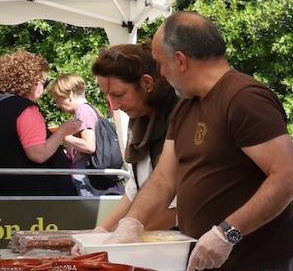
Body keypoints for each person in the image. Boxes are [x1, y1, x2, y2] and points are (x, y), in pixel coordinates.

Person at [109, 11, 293, 271]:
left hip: (252, 265)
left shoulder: (245, 99)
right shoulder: (186, 106)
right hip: (206, 262)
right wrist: (131, 223)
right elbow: (164, 178)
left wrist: (228, 232)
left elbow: (287, 178)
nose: (161, 73)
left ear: (180, 60)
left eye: (161, 64)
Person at [91, 42, 179, 232]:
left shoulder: (179, 118)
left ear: (147, 83)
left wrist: (126, 236)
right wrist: (101, 231)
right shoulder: (140, 121)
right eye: (108, 95)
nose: (114, 106)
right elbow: (135, 188)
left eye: (119, 94)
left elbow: (179, 207)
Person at [0, 49, 81, 196]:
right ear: (32, 82)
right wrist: (63, 131)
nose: (43, 89)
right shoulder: (25, 109)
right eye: (43, 82)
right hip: (31, 194)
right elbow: (38, 154)